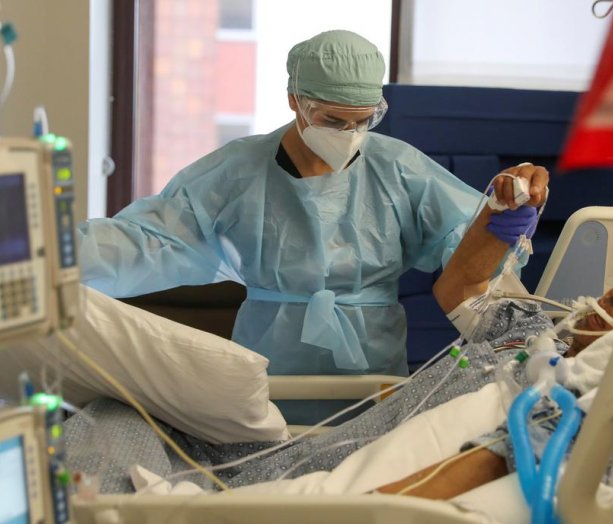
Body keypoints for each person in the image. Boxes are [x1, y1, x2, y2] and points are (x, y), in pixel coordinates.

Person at [78, 30, 549, 410]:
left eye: (363, 121)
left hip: (373, 367)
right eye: (333, 120)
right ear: (295, 101)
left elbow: (465, 252)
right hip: (270, 363)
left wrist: (505, 215)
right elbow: (148, 240)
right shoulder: (236, 172)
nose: (350, 134)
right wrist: (50, 254)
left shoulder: (399, 168)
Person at [64, 286, 613, 494]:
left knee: (93, 441)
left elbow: (492, 463)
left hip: (275, 486)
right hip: (264, 457)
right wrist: (500, 212)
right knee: (112, 402)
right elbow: (464, 287)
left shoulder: (548, 412)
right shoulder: (527, 334)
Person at [376, 286, 613, 500]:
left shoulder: (570, 405)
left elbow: (506, 455)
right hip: (356, 451)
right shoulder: (531, 328)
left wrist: (360, 511)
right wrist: (503, 221)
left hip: (377, 485)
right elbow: (457, 288)